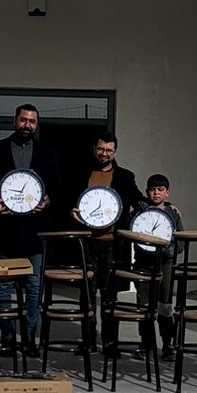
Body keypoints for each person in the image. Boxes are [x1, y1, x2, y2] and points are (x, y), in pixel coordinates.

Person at [0, 103, 62, 356]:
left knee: (34, 286)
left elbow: (56, 186)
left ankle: (29, 339)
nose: (27, 125)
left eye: (32, 121)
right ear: (15, 121)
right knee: (4, 285)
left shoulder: (46, 151)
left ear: (37, 125)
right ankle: (7, 339)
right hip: (5, 231)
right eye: (24, 120)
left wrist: (48, 201)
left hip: (35, 231)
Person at [70, 131, 143, 321]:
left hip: (112, 244)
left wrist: (164, 206)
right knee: (87, 294)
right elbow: (66, 200)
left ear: (115, 152)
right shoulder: (80, 173)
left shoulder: (125, 177)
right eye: (101, 149)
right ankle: (88, 337)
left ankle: (109, 338)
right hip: (87, 243)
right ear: (94, 149)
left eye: (109, 150)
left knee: (110, 295)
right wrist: (70, 211)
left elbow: (138, 201)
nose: (104, 153)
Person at [135, 174, 184, 358]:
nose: (156, 193)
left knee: (165, 305)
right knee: (144, 305)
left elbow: (181, 241)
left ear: (167, 193)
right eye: (152, 189)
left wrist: (169, 248)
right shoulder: (139, 212)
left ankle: (167, 344)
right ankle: (146, 343)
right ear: (147, 192)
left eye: (160, 189)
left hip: (166, 264)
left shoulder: (173, 214)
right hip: (143, 263)